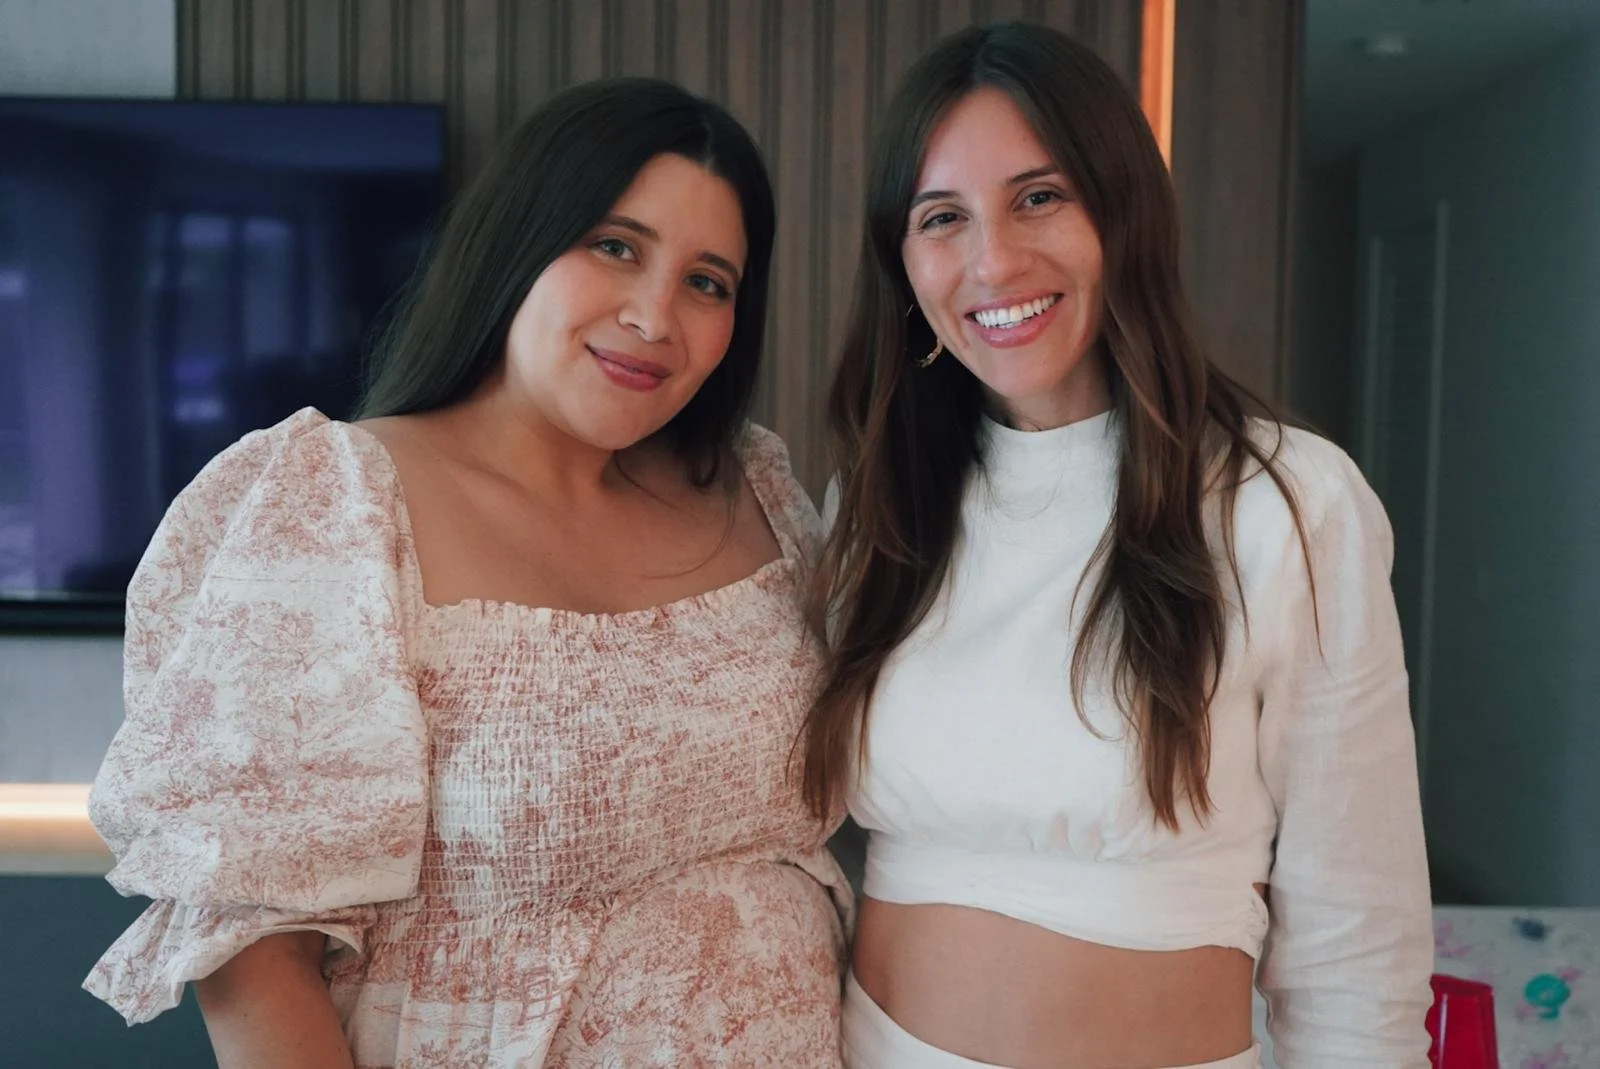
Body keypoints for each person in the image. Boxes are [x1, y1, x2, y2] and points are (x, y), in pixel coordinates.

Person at [83, 77, 851, 1068]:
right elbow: (253, 950)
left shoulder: (754, 485)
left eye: (709, 281)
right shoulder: (337, 501)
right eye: (615, 246)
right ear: (519, 242)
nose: (657, 316)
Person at [802, 23, 1433, 1069]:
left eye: (1039, 197)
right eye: (941, 217)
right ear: (902, 258)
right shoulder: (875, 507)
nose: (993, 259)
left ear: (1124, 210)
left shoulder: (1285, 500)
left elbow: (1353, 930)